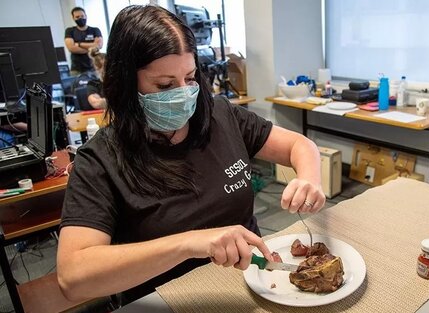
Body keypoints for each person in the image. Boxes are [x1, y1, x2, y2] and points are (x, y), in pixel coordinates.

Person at [57, 5, 326, 306]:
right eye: (165, 85)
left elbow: (299, 146)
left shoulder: (221, 116)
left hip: (255, 281)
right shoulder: (100, 160)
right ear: (127, 85)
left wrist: (310, 179)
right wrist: (188, 244)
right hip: (167, 299)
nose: (183, 92)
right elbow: (72, 277)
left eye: (189, 77)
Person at [64, 7, 103, 75]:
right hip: (76, 70)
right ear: (73, 18)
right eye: (77, 17)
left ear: (86, 16)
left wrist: (78, 44)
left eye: (82, 16)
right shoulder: (70, 31)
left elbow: (98, 45)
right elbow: (71, 48)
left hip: (94, 68)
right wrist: (91, 47)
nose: (80, 18)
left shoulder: (95, 30)